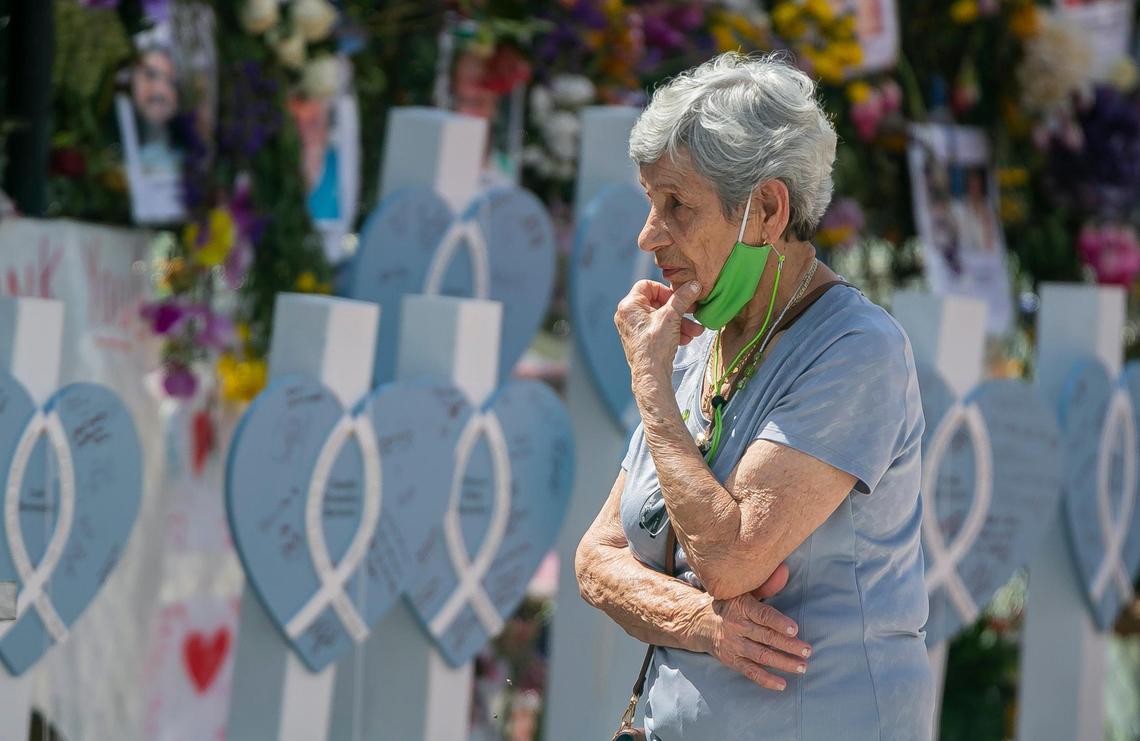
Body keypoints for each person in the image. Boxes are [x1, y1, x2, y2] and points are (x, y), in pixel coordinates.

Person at [575, 52, 933, 740]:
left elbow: (732, 557)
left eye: (676, 204)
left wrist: (649, 382)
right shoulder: (698, 344)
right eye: (651, 203)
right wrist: (704, 623)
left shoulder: (858, 348)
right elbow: (597, 559)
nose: (649, 236)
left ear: (768, 209)